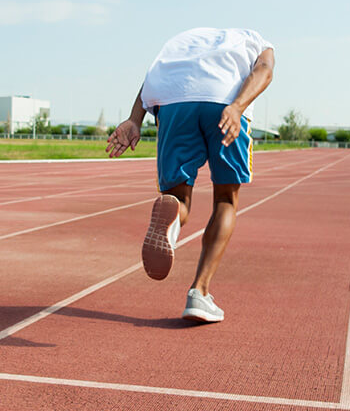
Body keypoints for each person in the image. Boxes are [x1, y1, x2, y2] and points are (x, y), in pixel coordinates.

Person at [106, 27, 274, 323]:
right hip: (223, 99)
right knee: (225, 200)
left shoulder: (183, 42)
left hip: (174, 104)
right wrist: (237, 107)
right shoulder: (256, 39)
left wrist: (135, 118)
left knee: (177, 197)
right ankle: (200, 292)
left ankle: (173, 224)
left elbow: (153, 77)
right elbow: (264, 70)